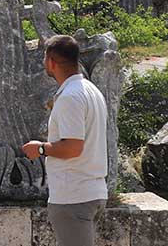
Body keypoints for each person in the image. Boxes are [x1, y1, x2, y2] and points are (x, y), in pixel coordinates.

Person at [21, 35, 108, 246]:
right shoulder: (91, 90)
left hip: (73, 196)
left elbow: (72, 147)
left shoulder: (71, 96)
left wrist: (40, 149)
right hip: (91, 191)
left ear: (50, 61)